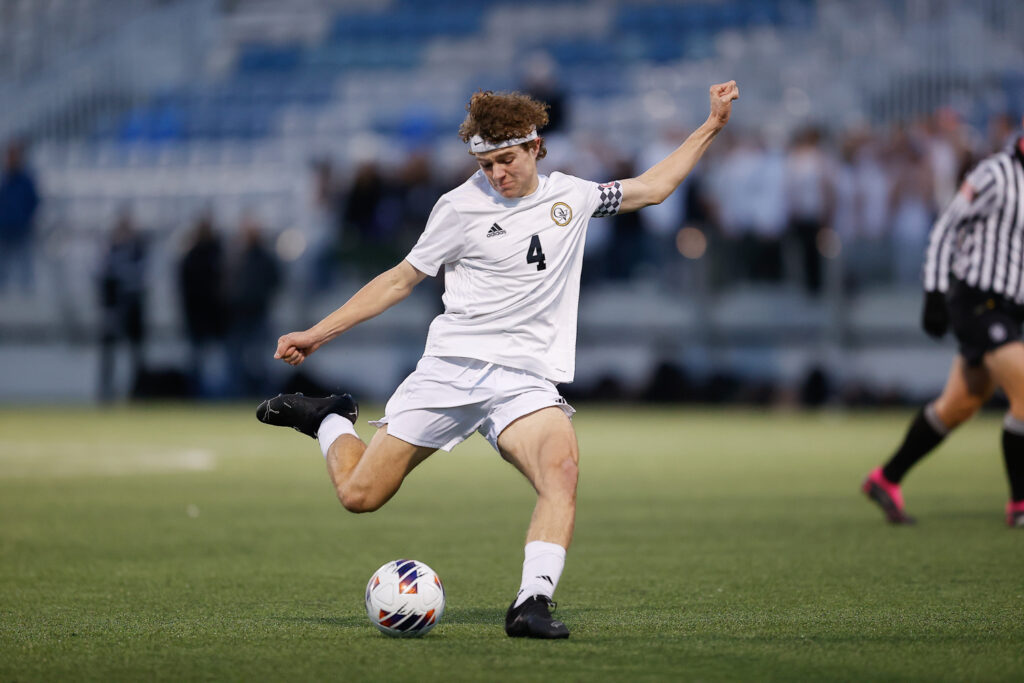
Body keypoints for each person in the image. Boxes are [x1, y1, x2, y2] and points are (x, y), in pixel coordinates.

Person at [257, 81, 740, 637]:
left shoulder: (572, 197)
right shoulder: (458, 207)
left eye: (506, 160)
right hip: (452, 369)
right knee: (359, 496)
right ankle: (330, 419)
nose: (496, 174)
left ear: (537, 148)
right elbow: (398, 281)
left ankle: (532, 603)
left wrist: (712, 126)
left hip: (523, 381)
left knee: (561, 471)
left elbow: (654, 188)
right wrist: (318, 334)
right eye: (485, 163)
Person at [862, 118, 1024, 527]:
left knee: (957, 407)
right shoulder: (996, 173)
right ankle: (1020, 504)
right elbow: (945, 227)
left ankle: (887, 477)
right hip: (977, 302)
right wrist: (934, 293)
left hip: (1009, 310)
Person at [97, 209, 147, 402]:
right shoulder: (110, 250)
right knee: (109, 352)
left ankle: (137, 391)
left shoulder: (138, 250)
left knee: (135, 353)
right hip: (113, 309)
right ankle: (106, 391)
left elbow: (140, 278)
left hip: (133, 309)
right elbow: (102, 278)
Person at [0, 140, 40, 293]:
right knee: (3, 262)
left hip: (22, 227)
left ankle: (27, 292)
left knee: (25, 261)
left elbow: (33, 201)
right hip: (4, 227)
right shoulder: (4, 179)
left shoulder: (26, 180)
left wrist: (26, 217)